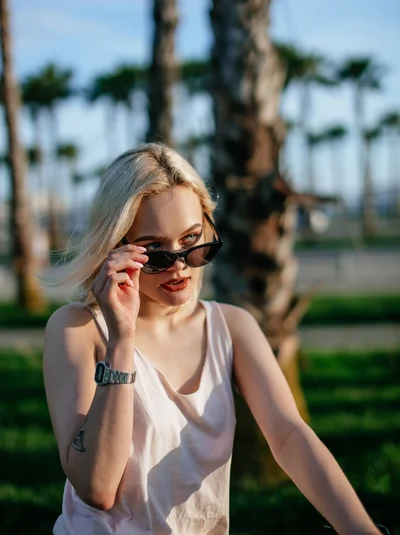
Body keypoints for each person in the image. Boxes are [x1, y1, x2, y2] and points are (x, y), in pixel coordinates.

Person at [43, 143, 383, 535]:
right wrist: (123, 339)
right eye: (154, 250)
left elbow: (290, 437)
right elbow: (96, 488)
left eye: (191, 240)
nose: (180, 265)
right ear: (114, 247)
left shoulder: (232, 326)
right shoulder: (76, 329)